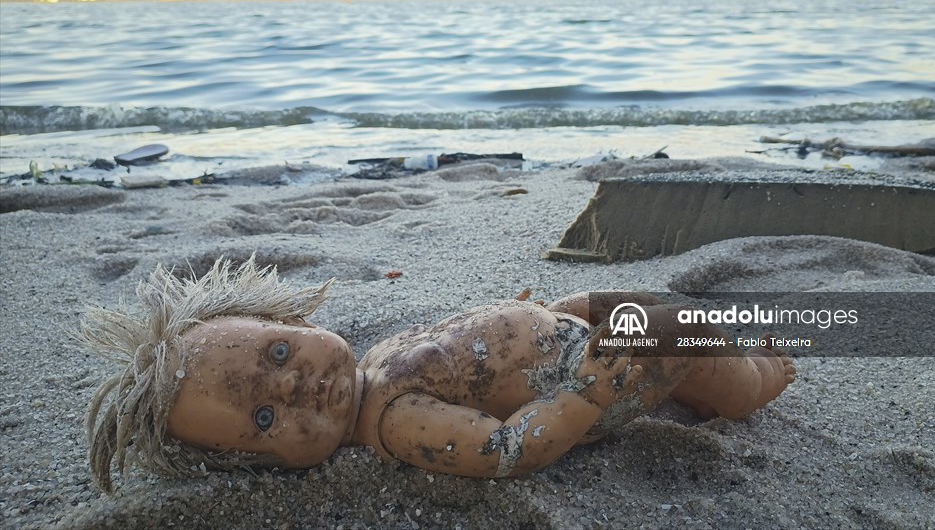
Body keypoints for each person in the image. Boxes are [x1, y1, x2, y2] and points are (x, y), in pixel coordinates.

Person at [82, 257, 795, 492]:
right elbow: (505, 449)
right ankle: (761, 376)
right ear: (260, 464)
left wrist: (525, 322)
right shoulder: (395, 423)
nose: (298, 386)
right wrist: (587, 393)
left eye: (277, 355)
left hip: (567, 325)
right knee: (683, 340)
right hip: (598, 372)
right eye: (267, 419)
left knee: (622, 302)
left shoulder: (372, 368)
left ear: (288, 319)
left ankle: (734, 351)